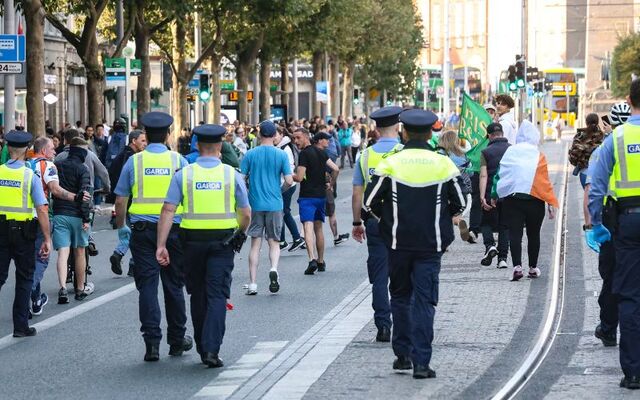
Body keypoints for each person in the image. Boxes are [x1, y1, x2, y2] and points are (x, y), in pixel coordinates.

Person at [363, 109, 466, 379]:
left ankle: (402, 355)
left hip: (397, 243)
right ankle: (422, 362)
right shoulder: (443, 164)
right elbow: (461, 202)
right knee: (425, 301)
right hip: (431, 246)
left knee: (399, 297)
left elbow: (369, 202)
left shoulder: (390, 163)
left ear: (404, 132)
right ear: (431, 132)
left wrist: (388, 222)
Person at [157, 124, 251, 368]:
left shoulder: (184, 174)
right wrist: (241, 231)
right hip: (222, 243)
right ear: (220, 146)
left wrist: (161, 245)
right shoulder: (231, 175)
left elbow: (168, 210)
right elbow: (246, 212)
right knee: (217, 295)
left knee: (197, 294)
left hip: (191, 243)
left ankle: (201, 344)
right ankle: (211, 348)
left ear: (197, 146)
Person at [113, 111, 192, 362]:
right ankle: (177, 340)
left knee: (147, 287)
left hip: (142, 232)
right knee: (174, 286)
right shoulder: (179, 161)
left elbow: (121, 199)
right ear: (168, 134)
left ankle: (152, 343)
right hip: (174, 232)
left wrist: (122, 225)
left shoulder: (134, 162)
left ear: (146, 135)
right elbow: (189, 199)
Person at [589, 79, 640, 390]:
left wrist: (597, 224)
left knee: (631, 296)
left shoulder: (616, 138)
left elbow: (596, 186)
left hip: (628, 223)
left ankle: (633, 373)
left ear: (629, 100)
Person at [352, 106, 403, 343]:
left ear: (376, 129)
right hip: (402, 224)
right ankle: (404, 324)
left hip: (374, 221)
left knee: (379, 278)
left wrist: (356, 222)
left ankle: (383, 326)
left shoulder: (364, 155)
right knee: (404, 275)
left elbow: (356, 193)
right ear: (397, 126)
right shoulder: (405, 153)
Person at [583, 102, 631, 349]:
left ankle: (609, 329)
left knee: (612, 277)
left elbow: (591, 189)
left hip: (612, 220)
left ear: (609, 122)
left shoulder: (605, 148)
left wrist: (591, 225)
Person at [28, 137, 89, 315]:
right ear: (44, 151)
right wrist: (75, 197)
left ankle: (37, 298)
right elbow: (55, 190)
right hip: (41, 216)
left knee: (30, 261)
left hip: (19, 220)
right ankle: (28, 293)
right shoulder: (48, 165)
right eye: (53, 149)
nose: (55, 152)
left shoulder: (25, 166)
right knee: (41, 259)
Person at [0, 131, 52, 337]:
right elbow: (41, 209)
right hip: (24, 234)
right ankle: (20, 326)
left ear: (8, 149)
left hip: (1, 232)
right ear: (26, 151)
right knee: (24, 279)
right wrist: (47, 238)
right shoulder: (29, 175)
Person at [492, 120, 558, 281]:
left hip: (512, 201)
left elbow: (500, 175)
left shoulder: (510, 152)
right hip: (535, 201)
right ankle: (533, 268)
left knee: (515, 233)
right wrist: (550, 202)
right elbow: (545, 181)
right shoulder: (539, 155)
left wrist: (494, 195)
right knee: (533, 234)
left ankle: (517, 267)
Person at [240, 121, 293, 295]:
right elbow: (289, 181)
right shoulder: (281, 155)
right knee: (274, 242)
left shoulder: (250, 154)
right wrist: (279, 190)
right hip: (275, 203)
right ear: (274, 135)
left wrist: (248, 191)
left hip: (256, 204)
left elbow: (241, 179)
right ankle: (273, 269)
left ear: (260, 134)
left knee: (255, 243)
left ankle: (253, 283)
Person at [292, 129, 340, 274]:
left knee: (307, 226)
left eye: (298, 138)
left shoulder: (304, 154)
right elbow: (336, 168)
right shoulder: (321, 152)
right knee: (318, 228)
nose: (296, 141)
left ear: (306, 137)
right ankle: (321, 261)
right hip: (321, 196)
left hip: (307, 196)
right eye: (294, 138)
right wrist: (331, 184)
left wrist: (288, 175)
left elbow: (299, 177)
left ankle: (311, 259)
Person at [53, 137, 94, 303]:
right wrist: (86, 218)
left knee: (63, 252)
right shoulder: (83, 169)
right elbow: (84, 196)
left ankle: (62, 288)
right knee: (79, 252)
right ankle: (79, 289)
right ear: (82, 153)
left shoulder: (57, 166)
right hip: (77, 216)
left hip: (59, 214)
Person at [108, 130, 147, 276]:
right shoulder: (134, 159)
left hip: (123, 198)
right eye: (142, 141)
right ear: (133, 141)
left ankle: (119, 254)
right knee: (138, 235)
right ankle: (132, 264)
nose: (145, 144)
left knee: (128, 232)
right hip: (131, 200)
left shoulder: (120, 156)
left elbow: (111, 173)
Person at [479, 123, 511, 268]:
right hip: (508, 193)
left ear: (489, 136)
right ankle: (503, 259)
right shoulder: (511, 149)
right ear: (502, 133)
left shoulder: (485, 152)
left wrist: (482, 196)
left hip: (490, 191)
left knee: (485, 223)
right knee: (505, 226)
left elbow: (483, 175)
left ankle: (490, 245)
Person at [275, 127, 305, 252]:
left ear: (281, 134)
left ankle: (296, 238)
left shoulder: (284, 149)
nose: (273, 137)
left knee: (284, 211)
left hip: (287, 184)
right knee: (282, 211)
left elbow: (286, 168)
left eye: (275, 135)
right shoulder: (281, 147)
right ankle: (283, 240)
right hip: (285, 184)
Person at [569, 113, 604, 189]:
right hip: (600, 173)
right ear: (598, 122)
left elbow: (574, 155)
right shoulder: (603, 136)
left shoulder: (580, 136)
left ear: (586, 122)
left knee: (587, 197)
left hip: (585, 172)